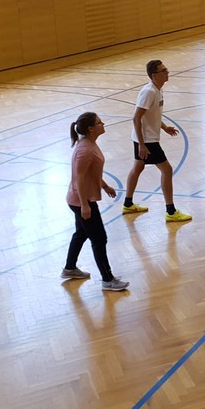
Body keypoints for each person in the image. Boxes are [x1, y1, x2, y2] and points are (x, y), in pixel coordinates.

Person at [63, 112, 128, 291]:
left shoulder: (89, 144)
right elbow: (80, 179)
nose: (103, 124)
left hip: (80, 199)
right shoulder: (85, 150)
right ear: (91, 129)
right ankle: (108, 279)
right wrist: (85, 205)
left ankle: (69, 268)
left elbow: (92, 174)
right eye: (99, 123)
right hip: (81, 201)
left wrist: (105, 186)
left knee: (81, 233)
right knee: (99, 239)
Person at [123, 60, 192, 222]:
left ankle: (128, 204)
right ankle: (171, 211)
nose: (167, 72)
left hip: (144, 138)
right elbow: (136, 118)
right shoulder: (149, 92)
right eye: (164, 70)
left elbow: (152, 115)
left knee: (138, 168)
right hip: (147, 140)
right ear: (154, 75)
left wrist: (165, 127)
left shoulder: (158, 90)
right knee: (167, 170)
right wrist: (142, 145)